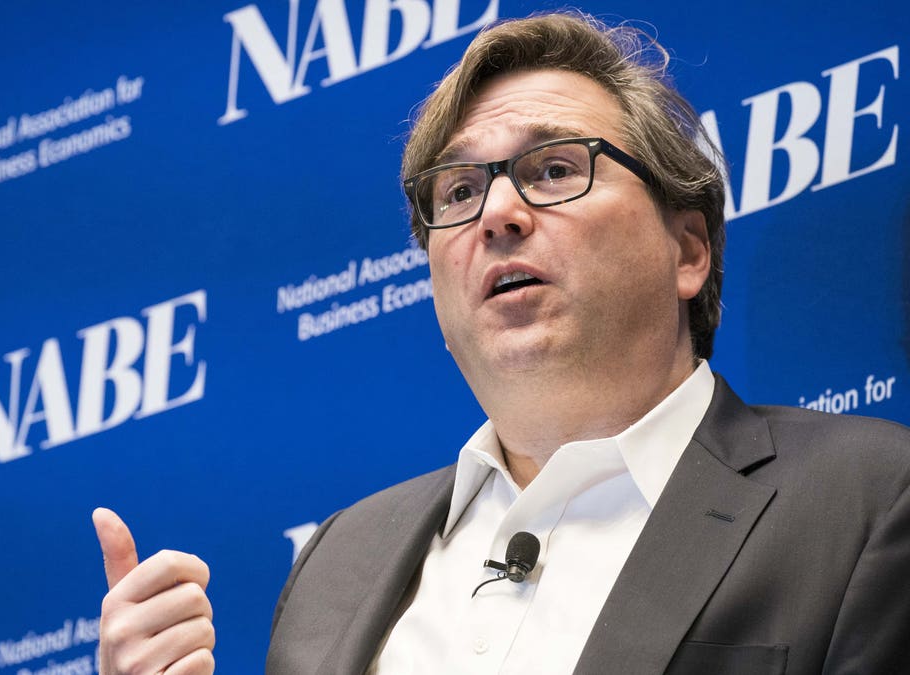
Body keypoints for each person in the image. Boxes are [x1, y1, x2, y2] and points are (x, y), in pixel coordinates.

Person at [92, 11, 910, 675]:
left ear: (688, 250)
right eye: (458, 190)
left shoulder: (867, 498)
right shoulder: (337, 561)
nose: (497, 213)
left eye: (555, 170)